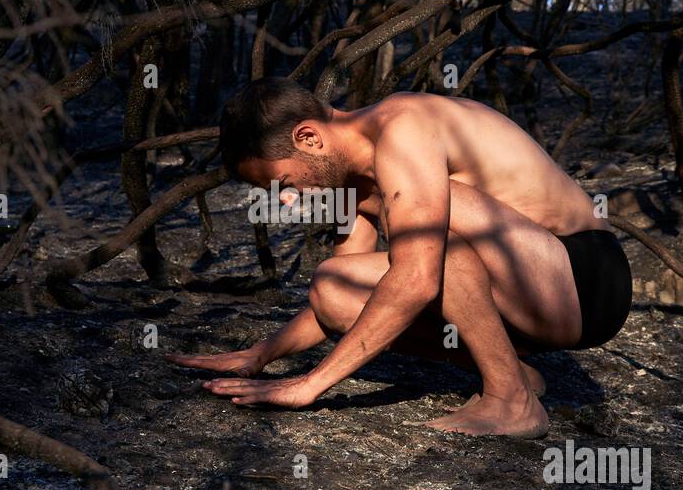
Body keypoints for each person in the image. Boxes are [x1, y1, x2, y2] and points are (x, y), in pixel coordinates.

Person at [166, 78, 632, 437]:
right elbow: (349, 292)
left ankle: (512, 400)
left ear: (308, 137)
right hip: (524, 294)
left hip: (583, 278)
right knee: (331, 286)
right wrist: (262, 354)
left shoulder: (403, 127)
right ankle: (515, 370)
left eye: (285, 185)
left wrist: (309, 385)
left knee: (428, 247)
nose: (288, 203)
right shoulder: (355, 179)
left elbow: (419, 277)